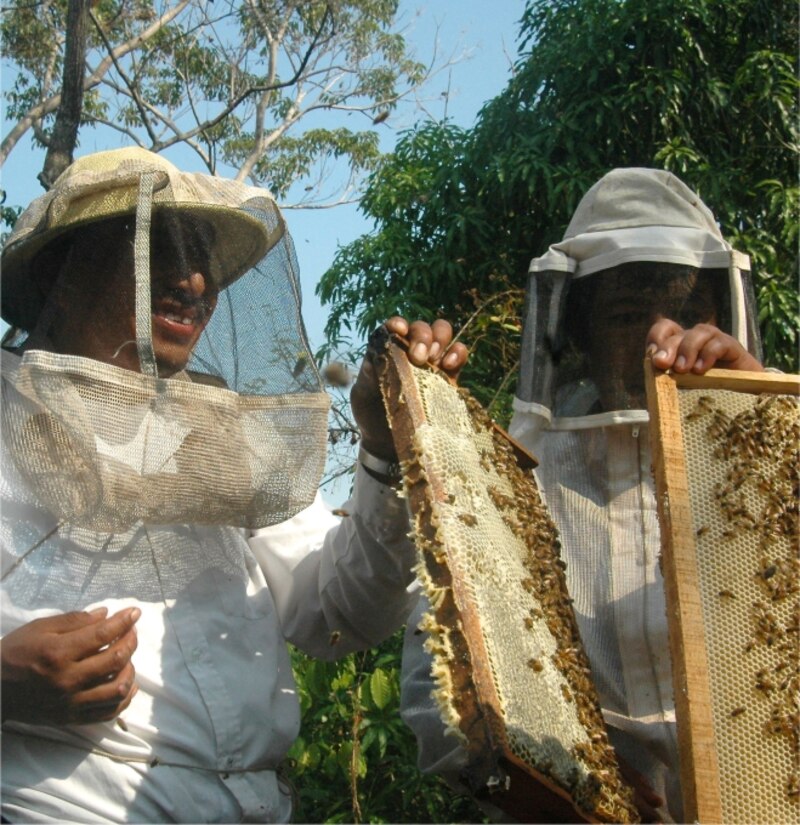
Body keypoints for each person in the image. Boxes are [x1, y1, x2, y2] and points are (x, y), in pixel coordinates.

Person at [0, 147, 467, 823]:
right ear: (64, 271)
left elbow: (337, 611)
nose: (192, 280)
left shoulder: (217, 432)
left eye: (204, 259)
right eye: (154, 247)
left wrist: (384, 453)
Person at [399, 167, 764, 823]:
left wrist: (765, 436)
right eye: (626, 314)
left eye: (687, 313)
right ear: (583, 334)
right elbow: (437, 698)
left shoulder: (770, 470)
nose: (662, 337)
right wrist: (557, 777)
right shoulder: (514, 486)